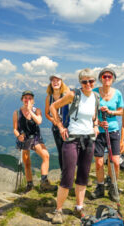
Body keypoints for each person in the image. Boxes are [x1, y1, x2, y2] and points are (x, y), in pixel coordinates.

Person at [49, 68, 100, 224]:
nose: (88, 84)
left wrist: (96, 125)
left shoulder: (96, 97)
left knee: (83, 175)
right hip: (72, 139)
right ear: (80, 83)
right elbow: (53, 107)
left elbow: (94, 115)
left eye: (91, 81)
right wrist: (60, 127)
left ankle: (79, 207)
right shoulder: (72, 95)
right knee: (68, 176)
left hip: (89, 139)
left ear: (94, 82)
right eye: (84, 81)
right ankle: (58, 210)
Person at [91, 68, 124, 201]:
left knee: (115, 161)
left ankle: (112, 185)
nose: (107, 79)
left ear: (113, 79)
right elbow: (89, 111)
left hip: (113, 130)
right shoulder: (94, 93)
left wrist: (110, 112)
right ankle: (100, 187)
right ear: (100, 78)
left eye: (109, 77)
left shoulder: (118, 94)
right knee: (99, 162)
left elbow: (121, 111)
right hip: (98, 131)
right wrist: (98, 122)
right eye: (104, 76)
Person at [12, 90, 54, 192]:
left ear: (33, 100)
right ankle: (29, 185)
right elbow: (15, 129)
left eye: (30, 98)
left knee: (46, 155)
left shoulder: (37, 110)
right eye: (25, 98)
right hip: (24, 139)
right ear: (22, 99)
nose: (27, 100)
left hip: (35, 137)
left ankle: (43, 182)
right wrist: (18, 136)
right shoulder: (16, 113)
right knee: (27, 163)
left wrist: (30, 110)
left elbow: (39, 121)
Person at [44, 74, 69, 171]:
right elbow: (47, 113)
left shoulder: (67, 95)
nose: (55, 82)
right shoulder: (49, 98)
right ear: (50, 83)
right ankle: (64, 173)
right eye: (53, 81)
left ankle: (72, 171)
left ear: (61, 82)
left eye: (58, 80)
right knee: (61, 151)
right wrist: (53, 120)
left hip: (67, 127)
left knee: (70, 150)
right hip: (56, 128)